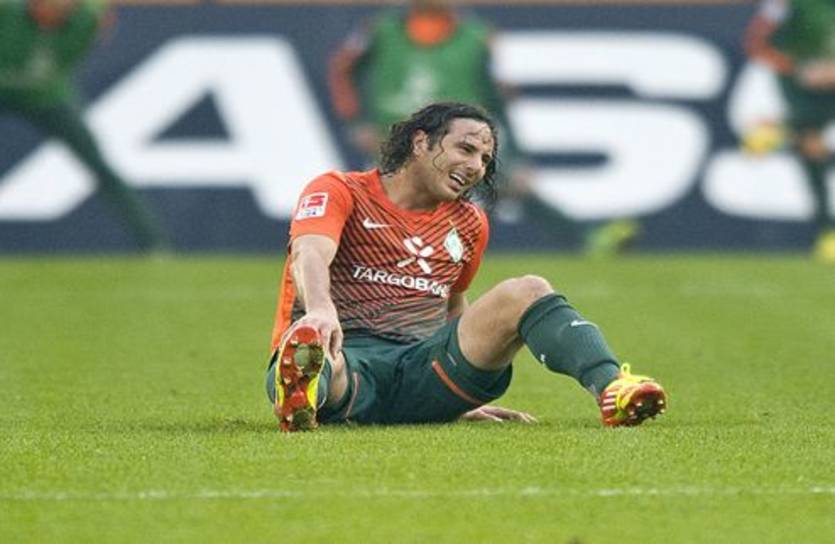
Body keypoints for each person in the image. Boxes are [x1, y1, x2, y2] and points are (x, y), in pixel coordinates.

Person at [265, 102, 667, 432]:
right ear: (420, 142)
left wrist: (460, 396)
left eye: (485, 158)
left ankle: (613, 388)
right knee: (323, 359)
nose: (476, 166)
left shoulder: (469, 222)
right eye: (465, 149)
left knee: (529, 289)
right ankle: (304, 389)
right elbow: (309, 253)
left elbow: (454, 306)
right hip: (350, 355)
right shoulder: (340, 190)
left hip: (421, 370)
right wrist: (321, 309)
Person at [327, 0, 637, 254]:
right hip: (401, 136)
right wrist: (357, 122)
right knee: (398, 197)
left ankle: (585, 238)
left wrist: (516, 152)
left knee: (506, 184)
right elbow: (342, 70)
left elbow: (496, 97)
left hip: (460, 138)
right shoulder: (380, 30)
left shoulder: (476, 36)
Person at [0, 0, 167, 251]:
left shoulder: (85, 20)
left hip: (46, 98)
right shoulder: (7, 12)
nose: (59, 6)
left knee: (100, 165)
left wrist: (98, 20)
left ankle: (154, 244)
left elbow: (101, 12)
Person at [744, 0, 835, 263]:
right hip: (804, 92)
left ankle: (780, 134)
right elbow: (756, 44)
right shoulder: (787, 4)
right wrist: (799, 68)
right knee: (812, 150)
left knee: (811, 145)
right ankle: (828, 233)